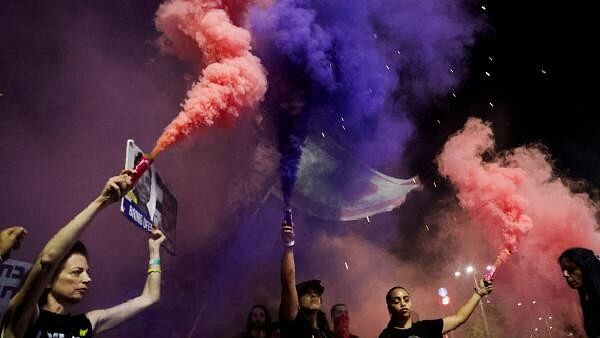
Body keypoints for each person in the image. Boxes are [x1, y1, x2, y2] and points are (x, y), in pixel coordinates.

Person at [1, 171, 166, 338]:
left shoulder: (87, 323)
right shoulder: (25, 317)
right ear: (49, 280)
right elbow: (46, 261)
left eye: (87, 272)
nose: (87, 279)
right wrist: (102, 201)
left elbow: (149, 297)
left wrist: (154, 250)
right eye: (77, 272)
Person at [378, 279, 493, 338]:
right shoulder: (387, 336)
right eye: (396, 301)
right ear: (390, 308)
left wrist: (478, 294)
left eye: (406, 299)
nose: (403, 303)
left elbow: (459, 318)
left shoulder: (426, 328)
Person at [279, 212, 331, 338]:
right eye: (307, 292)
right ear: (297, 301)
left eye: (316, 292)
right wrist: (289, 246)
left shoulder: (325, 332)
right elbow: (288, 281)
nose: (313, 294)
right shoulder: (295, 323)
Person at [559, 247, 600, 338]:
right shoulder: (588, 297)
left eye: (570, 269)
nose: (565, 275)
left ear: (586, 267)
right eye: (563, 270)